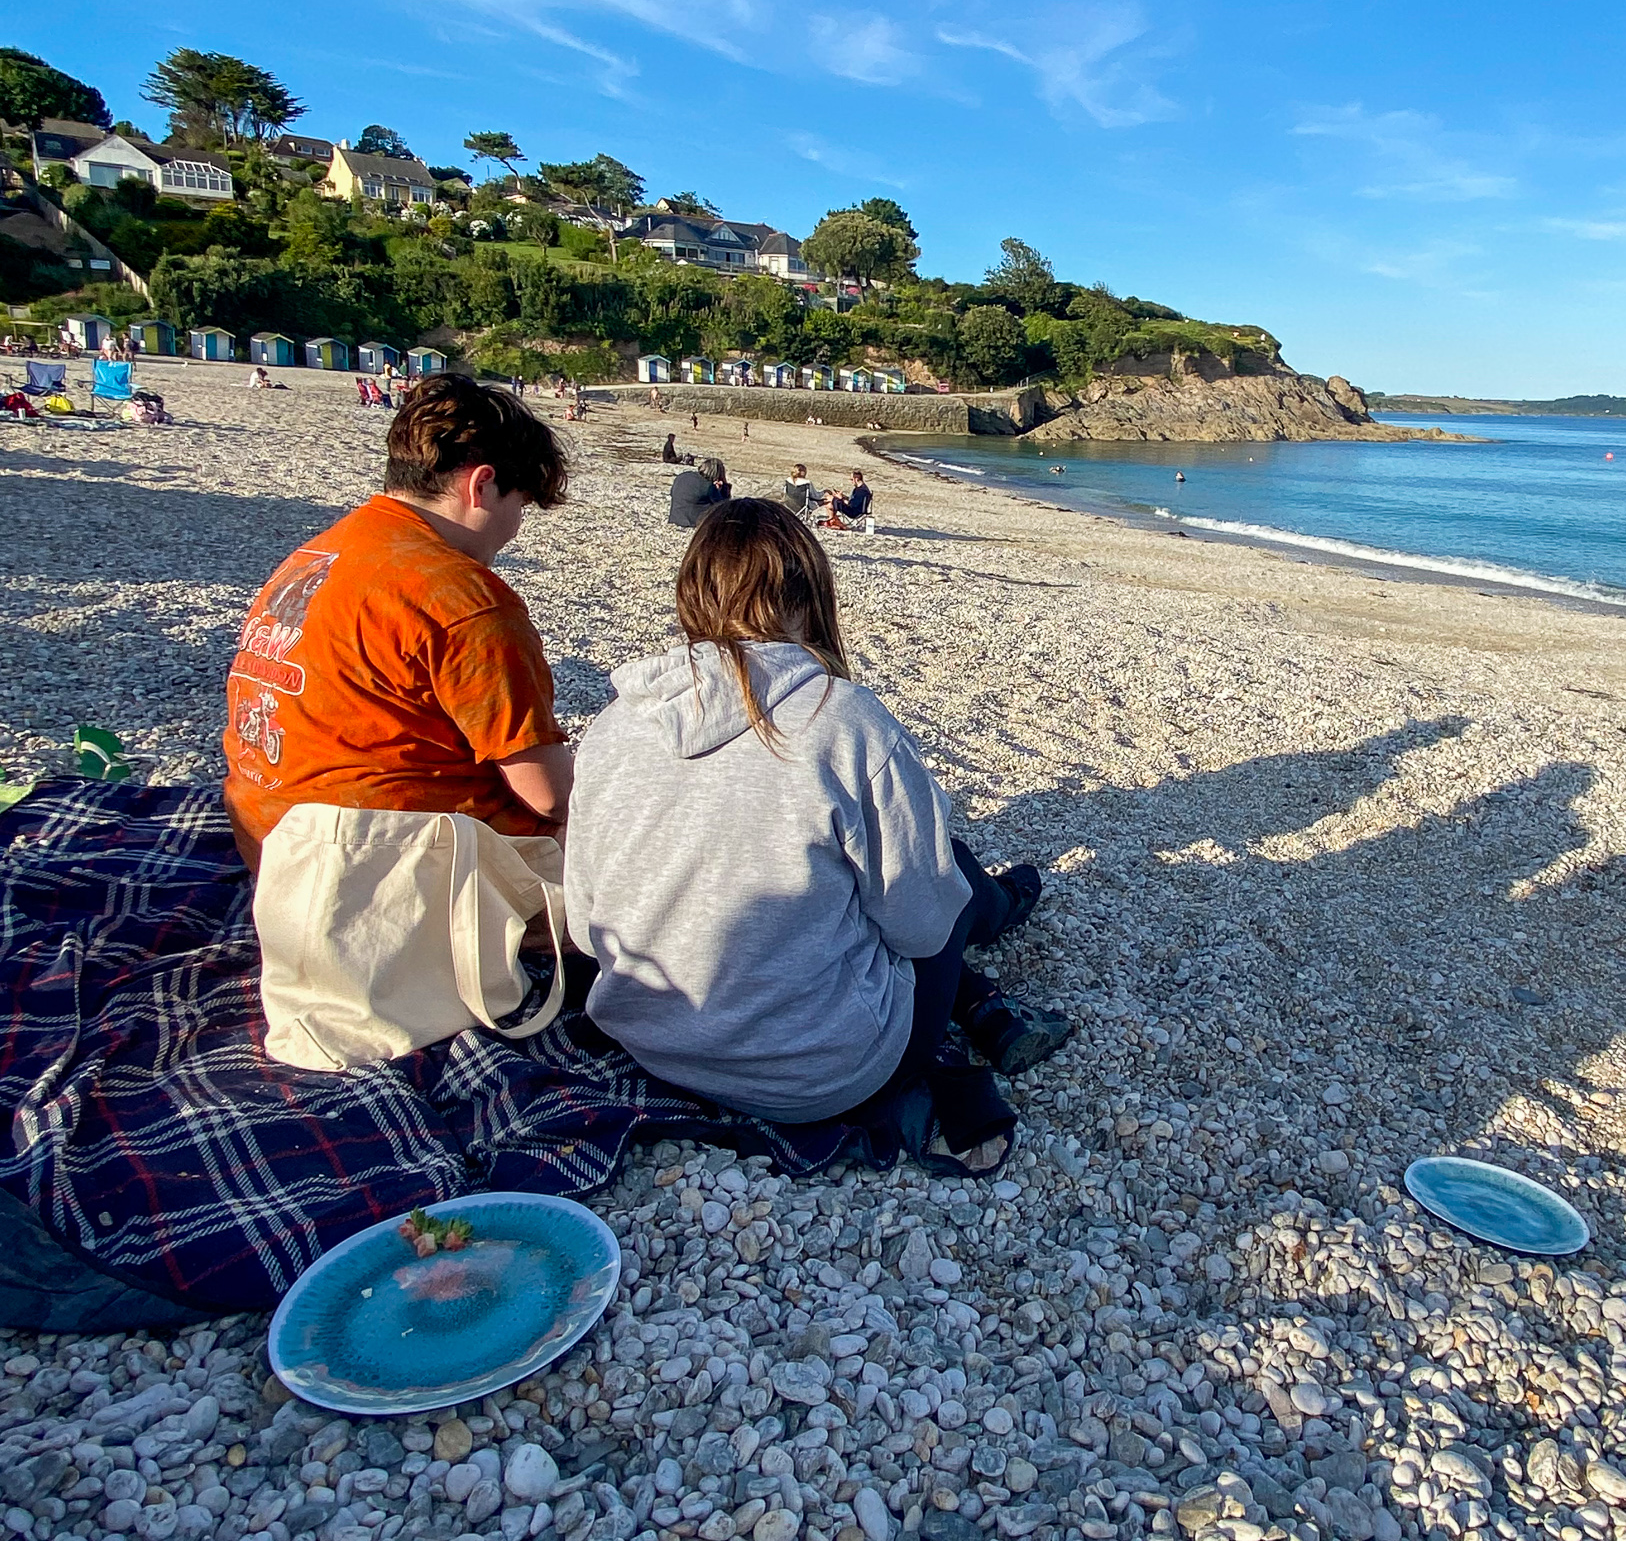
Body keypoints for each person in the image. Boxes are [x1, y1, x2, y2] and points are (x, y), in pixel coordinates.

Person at [564, 499, 1068, 1127]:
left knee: (876, 878)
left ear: (690, 596)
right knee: (947, 882)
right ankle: (1003, 904)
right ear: (807, 599)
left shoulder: (616, 723)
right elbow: (918, 930)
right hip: (823, 1076)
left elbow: (585, 930)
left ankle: (996, 922)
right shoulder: (845, 722)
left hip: (651, 1044)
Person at [221, 374, 573, 874]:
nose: (516, 525)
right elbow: (549, 796)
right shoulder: (461, 597)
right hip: (378, 871)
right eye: (521, 504)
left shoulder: (316, 556)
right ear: (482, 485)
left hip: (272, 844)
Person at [668, 455, 730, 529]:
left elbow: (672, 493)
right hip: (693, 522)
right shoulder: (708, 486)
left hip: (675, 517)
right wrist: (723, 488)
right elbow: (724, 505)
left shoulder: (682, 476)